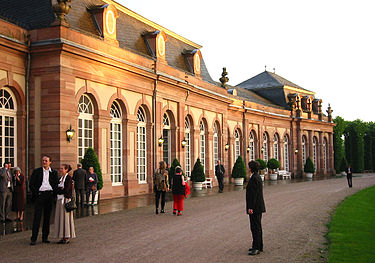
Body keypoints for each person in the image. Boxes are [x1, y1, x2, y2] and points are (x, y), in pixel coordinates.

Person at [29, 155, 59, 245]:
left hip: (49, 195)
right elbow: (31, 184)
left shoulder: (54, 173)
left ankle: (45, 237)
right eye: (43, 160)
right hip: (40, 195)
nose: (44, 162)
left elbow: (56, 185)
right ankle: (33, 238)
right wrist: (36, 193)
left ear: (50, 162)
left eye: (46, 161)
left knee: (47, 217)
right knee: (37, 217)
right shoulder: (37, 171)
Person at [246, 160, 266, 256]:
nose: (247, 167)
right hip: (257, 206)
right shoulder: (256, 177)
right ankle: (258, 245)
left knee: (255, 227)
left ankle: (257, 247)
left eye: (249, 166)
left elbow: (254, 195)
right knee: (256, 226)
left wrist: (251, 207)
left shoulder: (255, 178)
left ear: (251, 168)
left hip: (255, 207)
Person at [54, 164, 76, 244]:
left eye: (62, 169)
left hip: (65, 200)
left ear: (66, 170)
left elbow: (66, 190)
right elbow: (57, 188)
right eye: (60, 168)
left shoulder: (68, 178)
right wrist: (59, 190)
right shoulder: (61, 178)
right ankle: (62, 236)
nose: (60, 170)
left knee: (66, 218)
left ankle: (67, 236)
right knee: (60, 218)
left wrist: (59, 190)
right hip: (60, 199)